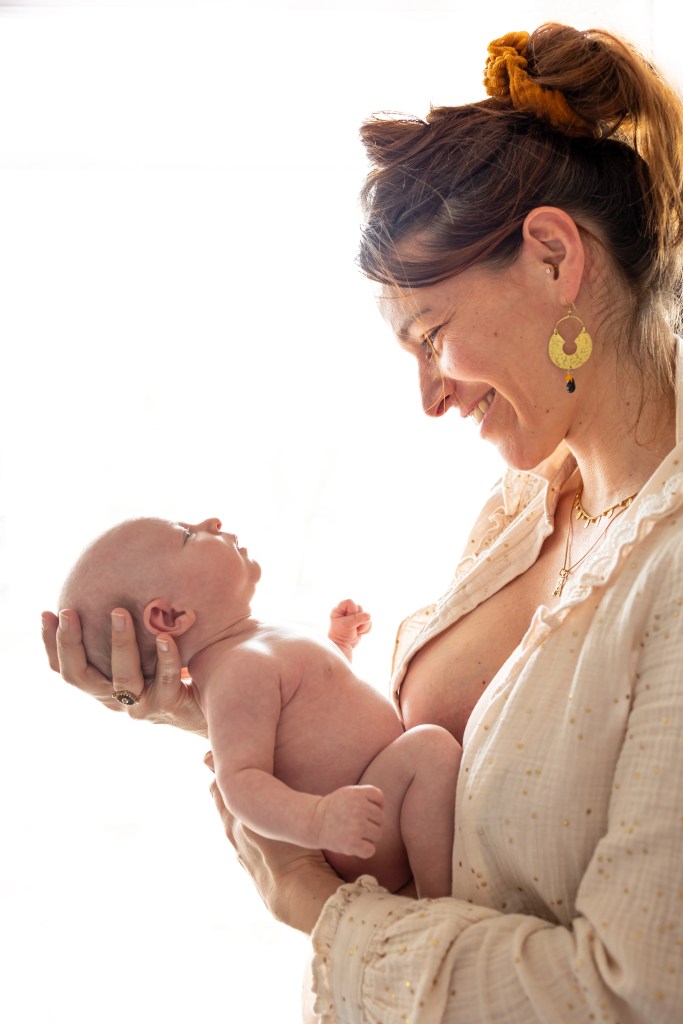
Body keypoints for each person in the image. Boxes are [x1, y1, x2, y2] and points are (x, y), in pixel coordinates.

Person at [43, 22, 683, 1023]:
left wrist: (322, 913)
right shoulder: (527, 503)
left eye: (430, 334)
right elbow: (387, 760)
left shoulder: (670, 574)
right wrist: (196, 691)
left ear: (553, 256)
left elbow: (631, 992)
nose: (428, 398)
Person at [57, 515, 461, 899]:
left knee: (428, 749)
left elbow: (315, 707)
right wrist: (319, 819)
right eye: (187, 535)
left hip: (376, 798)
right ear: (170, 616)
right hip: (363, 821)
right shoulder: (235, 673)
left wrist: (339, 646)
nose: (211, 522)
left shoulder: (252, 647)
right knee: (430, 748)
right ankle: (441, 901)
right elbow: (240, 782)